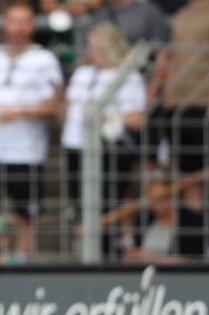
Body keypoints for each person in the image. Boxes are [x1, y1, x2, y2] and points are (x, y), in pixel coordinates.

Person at [0, 0, 62, 262]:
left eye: (25, 21)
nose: (19, 27)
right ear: (5, 24)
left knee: (25, 213)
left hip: (27, 150)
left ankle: (22, 259)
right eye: (14, 21)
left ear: (32, 25)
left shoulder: (45, 59)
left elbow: (54, 105)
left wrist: (19, 112)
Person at [148, 0, 209, 261]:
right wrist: (166, 91)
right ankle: (194, 243)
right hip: (179, 104)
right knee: (189, 177)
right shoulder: (182, 14)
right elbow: (172, 57)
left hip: (207, 103)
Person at [62, 22, 146, 256]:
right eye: (90, 47)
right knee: (79, 203)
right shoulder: (82, 73)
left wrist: (109, 117)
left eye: (97, 47)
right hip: (76, 145)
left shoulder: (128, 76)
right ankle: (84, 252)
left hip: (109, 149)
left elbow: (138, 119)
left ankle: (108, 252)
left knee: (108, 204)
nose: (92, 52)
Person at [89, 0, 171, 44]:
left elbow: (162, 44)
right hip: (106, 68)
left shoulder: (148, 11)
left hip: (140, 67)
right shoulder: (99, 14)